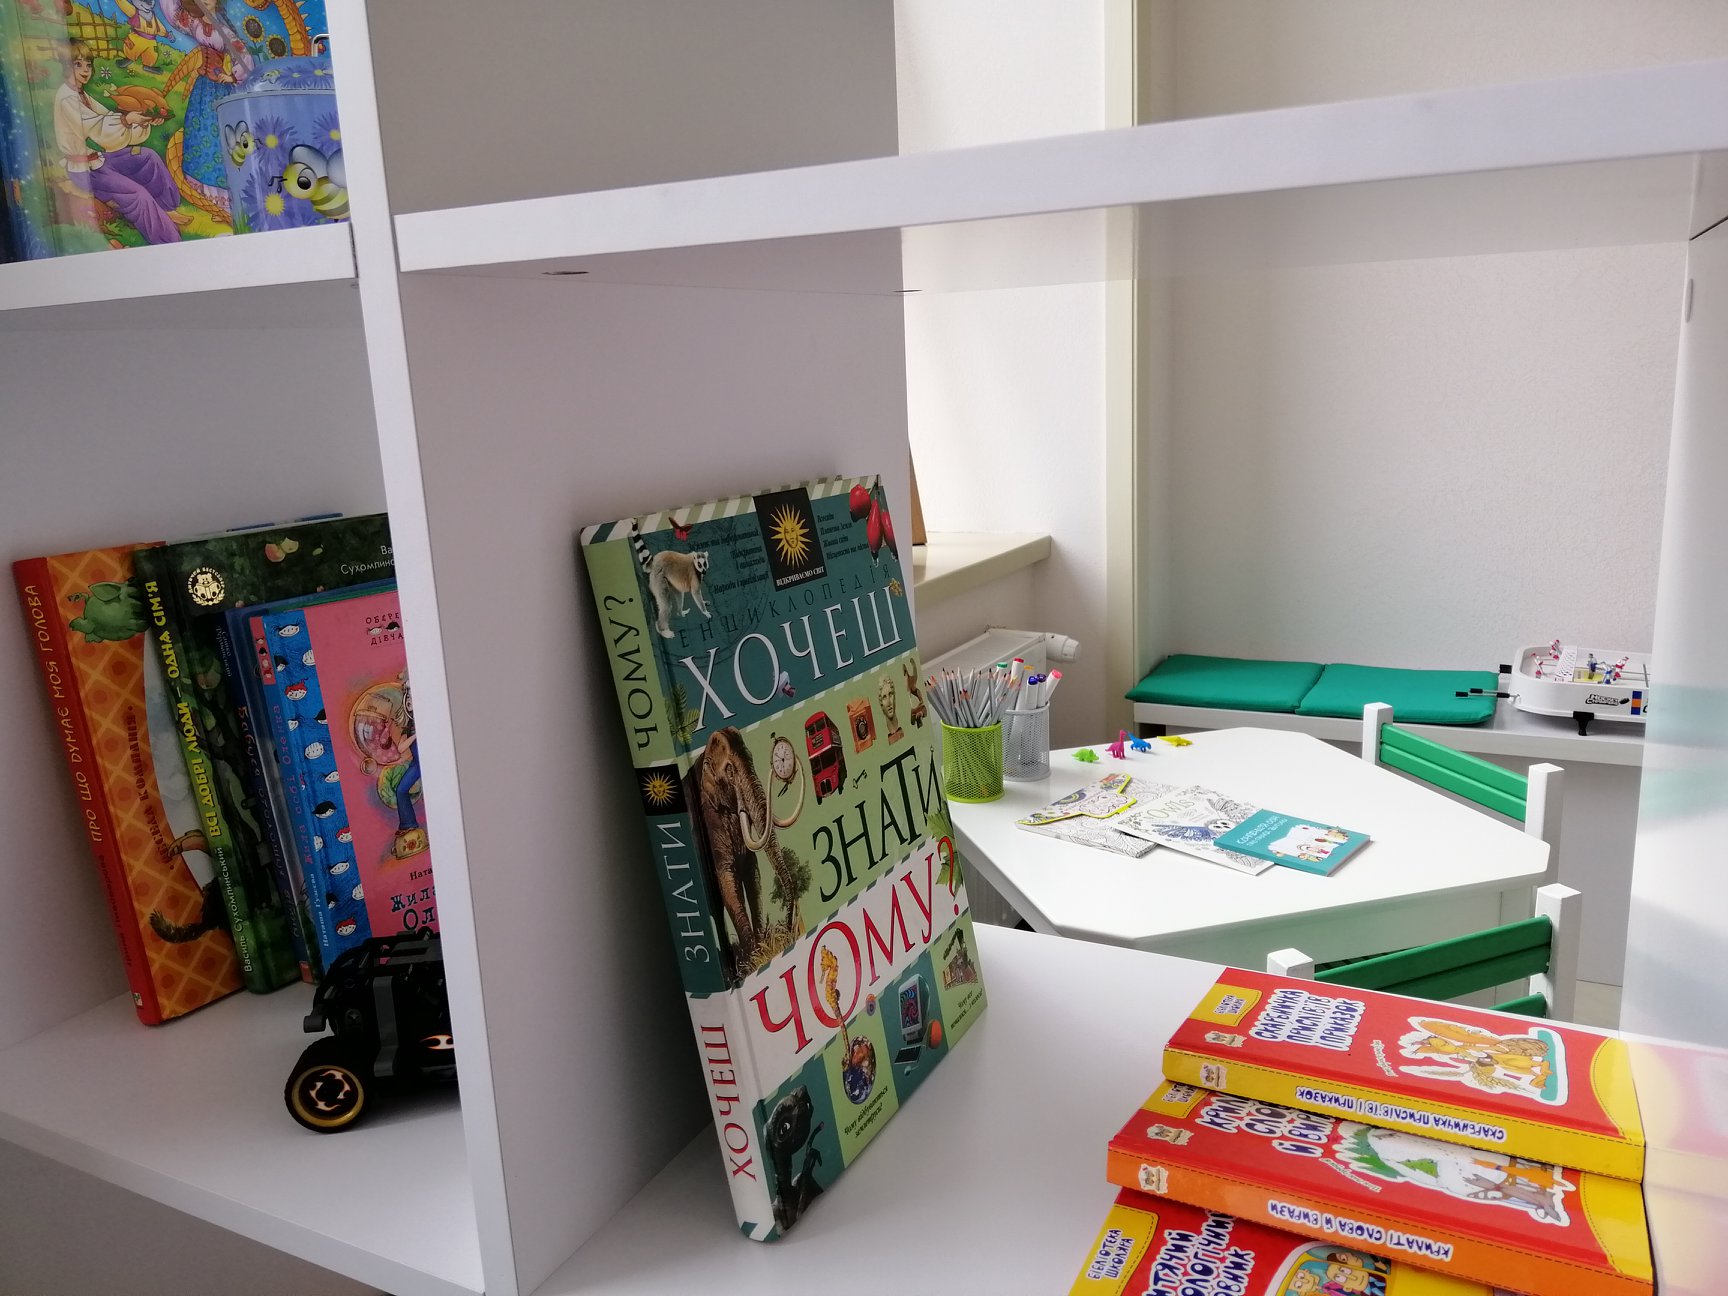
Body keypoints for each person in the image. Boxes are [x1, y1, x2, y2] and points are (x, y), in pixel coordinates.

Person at [52, 39, 190, 244]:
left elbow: (107, 119)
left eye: (88, 64)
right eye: (78, 64)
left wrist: (142, 121)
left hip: (100, 160)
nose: (85, 70)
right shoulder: (67, 99)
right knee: (137, 194)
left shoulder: (81, 95)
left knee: (148, 157)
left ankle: (166, 208)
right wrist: (126, 120)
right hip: (85, 170)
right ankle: (169, 241)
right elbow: (98, 129)